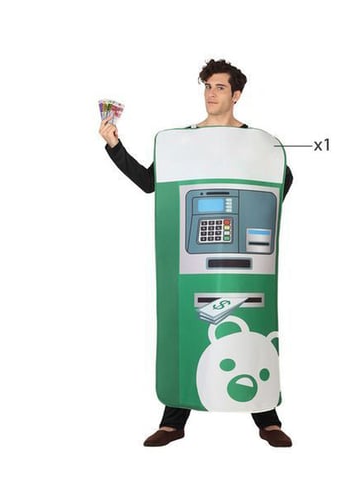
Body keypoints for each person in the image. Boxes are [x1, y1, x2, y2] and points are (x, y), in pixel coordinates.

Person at [99, 59, 293, 447]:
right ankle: (173, 422)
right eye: (207, 86)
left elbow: (281, 180)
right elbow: (149, 183)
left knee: (252, 322)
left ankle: (267, 418)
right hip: (189, 261)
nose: (211, 93)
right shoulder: (182, 143)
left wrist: (256, 218)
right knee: (183, 326)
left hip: (247, 261)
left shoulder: (259, 143)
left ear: (236, 95)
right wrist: (115, 146)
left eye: (219, 87)